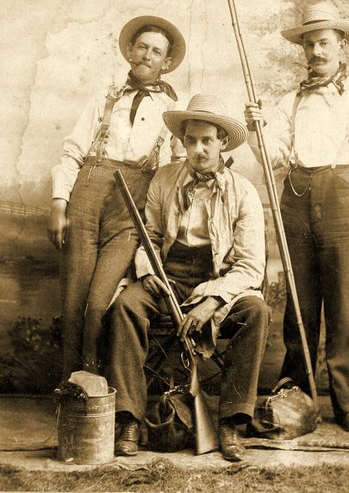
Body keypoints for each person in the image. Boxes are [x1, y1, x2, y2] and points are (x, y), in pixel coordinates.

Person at [105, 94, 269, 461]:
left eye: (207, 140)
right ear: (182, 141)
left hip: (218, 281)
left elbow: (250, 266)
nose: (197, 149)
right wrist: (148, 272)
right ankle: (129, 418)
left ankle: (229, 423)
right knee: (125, 308)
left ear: (222, 142)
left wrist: (212, 301)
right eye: (191, 140)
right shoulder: (163, 179)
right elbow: (150, 238)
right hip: (168, 277)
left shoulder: (244, 192)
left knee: (256, 312)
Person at [245, 1, 349, 433]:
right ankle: (297, 400)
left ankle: (346, 404)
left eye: (324, 42)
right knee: (299, 309)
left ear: (342, 46)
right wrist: (256, 128)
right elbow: (274, 158)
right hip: (297, 196)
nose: (316, 51)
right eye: (309, 44)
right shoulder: (289, 102)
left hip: (342, 193)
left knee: (341, 306)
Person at [47, 16, 186, 378]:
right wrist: (59, 204)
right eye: (141, 47)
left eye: (157, 52)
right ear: (129, 51)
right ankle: (70, 391)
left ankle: (95, 386)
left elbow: (176, 169)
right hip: (88, 194)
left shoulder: (174, 110)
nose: (147, 56)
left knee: (98, 304)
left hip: (132, 207)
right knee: (74, 301)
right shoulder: (104, 97)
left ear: (166, 63)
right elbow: (72, 151)